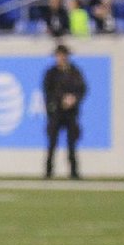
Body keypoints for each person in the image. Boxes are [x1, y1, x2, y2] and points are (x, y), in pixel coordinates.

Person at [43, 44, 86, 179]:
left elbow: (82, 89)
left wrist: (73, 99)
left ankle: (74, 172)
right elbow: (48, 92)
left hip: (71, 113)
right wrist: (61, 99)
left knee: (71, 143)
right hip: (56, 112)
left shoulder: (75, 72)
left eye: (63, 55)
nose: (61, 58)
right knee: (52, 143)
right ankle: (48, 171)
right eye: (58, 55)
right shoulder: (51, 73)